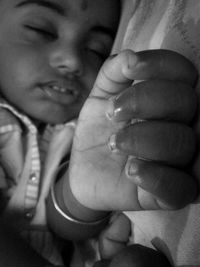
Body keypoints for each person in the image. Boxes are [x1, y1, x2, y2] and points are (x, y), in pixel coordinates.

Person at [0, 1, 197, 267]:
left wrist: (80, 197)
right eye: (41, 30)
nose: (72, 60)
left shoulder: (89, 129)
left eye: (96, 49)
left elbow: (64, 222)